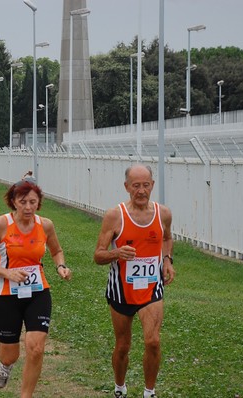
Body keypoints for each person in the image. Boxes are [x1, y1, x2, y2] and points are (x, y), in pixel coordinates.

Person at [0, 180, 72, 396]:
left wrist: (61, 266)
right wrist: (7, 273)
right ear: (13, 202)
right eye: (23, 202)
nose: (28, 207)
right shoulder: (2, 224)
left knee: (36, 347)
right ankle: (5, 365)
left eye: (33, 202)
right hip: (6, 296)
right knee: (10, 354)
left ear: (39, 203)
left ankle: (25, 395)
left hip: (38, 292)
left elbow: (57, 251)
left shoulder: (45, 225)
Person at [93, 164, 175, 398]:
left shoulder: (163, 214)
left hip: (151, 288)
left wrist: (167, 260)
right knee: (123, 346)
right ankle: (120, 388)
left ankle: (149, 392)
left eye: (146, 185)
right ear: (127, 187)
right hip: (122, 290)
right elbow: (98, 255)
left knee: (153, 341)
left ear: (152, 186)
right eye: (136, 185)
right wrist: (115, 253)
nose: (141, 190)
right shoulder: (115, 216)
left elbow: (167, 238)